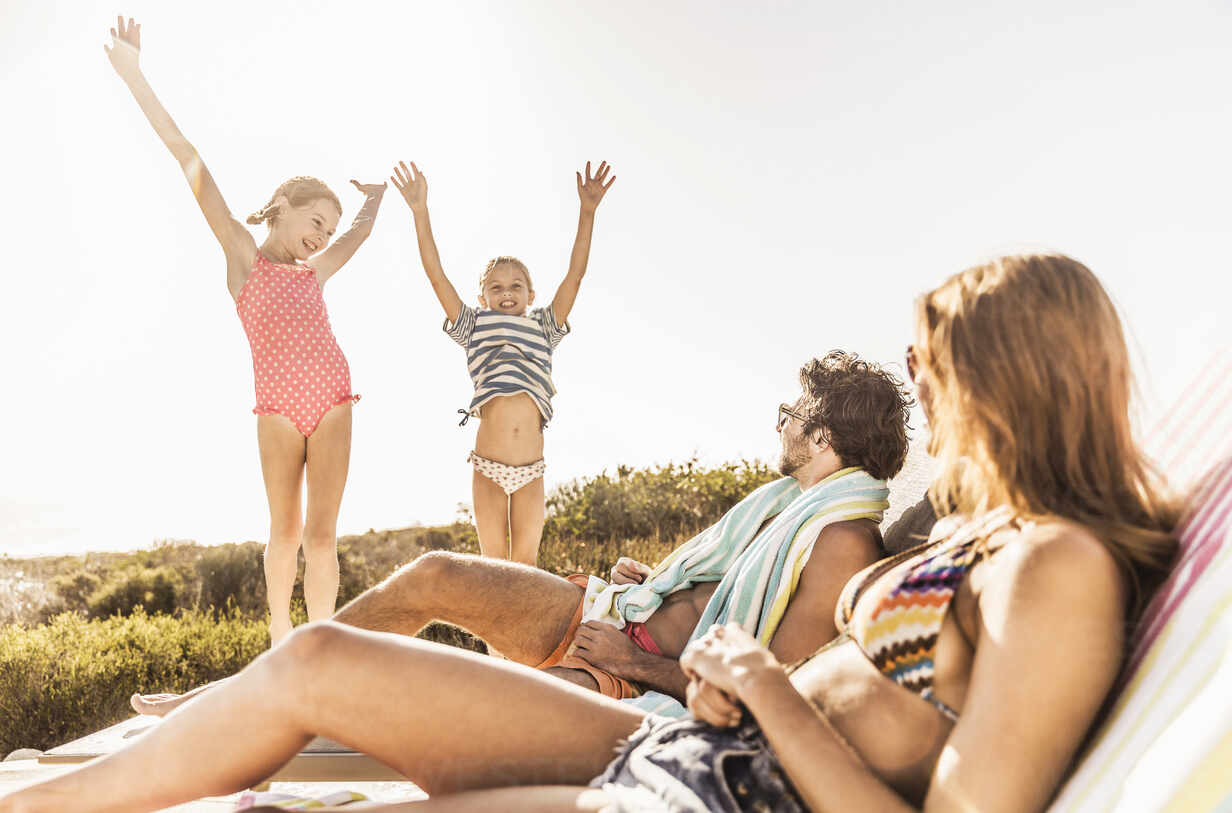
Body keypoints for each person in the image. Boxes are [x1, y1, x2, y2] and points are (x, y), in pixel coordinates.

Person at [1, 255, 1179, 812]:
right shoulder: (992, 534)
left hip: (731, 791)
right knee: (316, 665)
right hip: (695, 748)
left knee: (328, 702)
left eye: (938, 370)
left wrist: (756, 684)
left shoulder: (1057, 567)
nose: (925, 397)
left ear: (1009, 377)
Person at [131, 350, 913, 715]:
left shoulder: (843, 542)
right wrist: (665, 584)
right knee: (436, 572)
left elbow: (778, 694)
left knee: (448, 707)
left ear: (823, 439)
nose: (780, 423)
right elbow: (723, 592)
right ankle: (233, 693)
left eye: (794, 416)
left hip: (633, 674)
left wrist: (647, 674)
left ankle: (259, 713)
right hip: (618, 616)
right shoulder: (787, 500)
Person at [104, 17, 387, 644]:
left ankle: (323, 643)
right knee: (284, 532)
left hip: (335, 400)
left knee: (322, 535)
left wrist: (374, 198)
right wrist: (134, 75)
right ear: (281, 208)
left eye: (327, 229)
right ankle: (281, 636)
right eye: (314, 220)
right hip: (278, 409)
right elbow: (188, 158)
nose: (321, 236)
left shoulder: (316, 271)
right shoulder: (242, 256)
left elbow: (362, 233)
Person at [389, 159, 614, 565]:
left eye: (515, 286)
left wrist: (587, 213)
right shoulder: (473, 325)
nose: (506, 293)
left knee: (525, 569)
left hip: (531, 469)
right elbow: (436, 276)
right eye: (495, 288)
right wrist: (420, 212)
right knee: (494, 568)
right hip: (488, 466)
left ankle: (525, 631)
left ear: (530, 294)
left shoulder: (545, 326)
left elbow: (575, 276)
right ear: (483, 298)